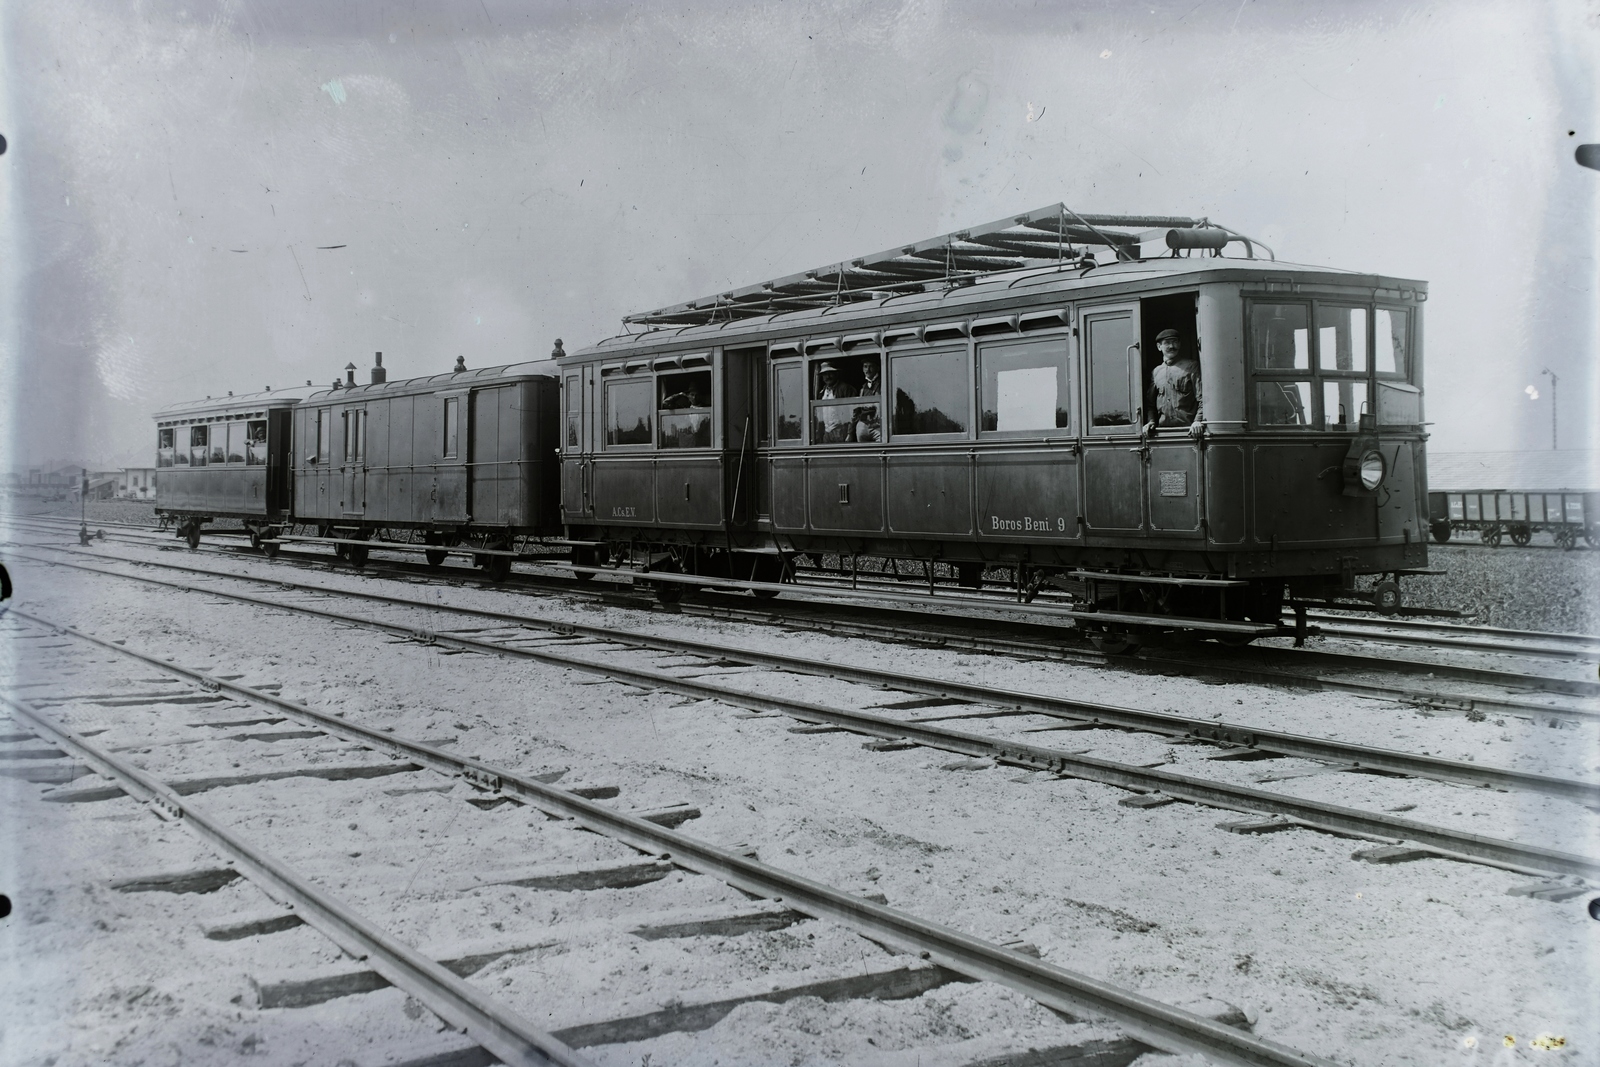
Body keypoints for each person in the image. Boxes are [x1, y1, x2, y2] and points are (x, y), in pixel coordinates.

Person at [1144, 329, 1203, 436]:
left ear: (1179, 344)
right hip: (1163, 432)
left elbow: (1202, 398)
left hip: (1189, 431)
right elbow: (1150, 404)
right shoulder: (1156, 372)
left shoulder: (1191, 366)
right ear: (1159, 347)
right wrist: (1151, 421)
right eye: (1167, 343)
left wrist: (1197, 421)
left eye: (1175, 342)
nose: (1172, 346)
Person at [815, 361, 857, 442]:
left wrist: (850, 433)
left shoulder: (845, 389)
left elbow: (854, 412)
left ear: (836, 374)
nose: (827, 377)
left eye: (830, 373)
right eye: (825, 374)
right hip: (827, 433)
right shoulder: (822, 392)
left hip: (841, 431)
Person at [853, 356, 882, 442]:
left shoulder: (883, 383)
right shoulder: (863, 387)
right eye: (865, 366)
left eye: (871, 366)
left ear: (878, 368)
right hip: (863, 424)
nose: (867, 370)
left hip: (878, 425)